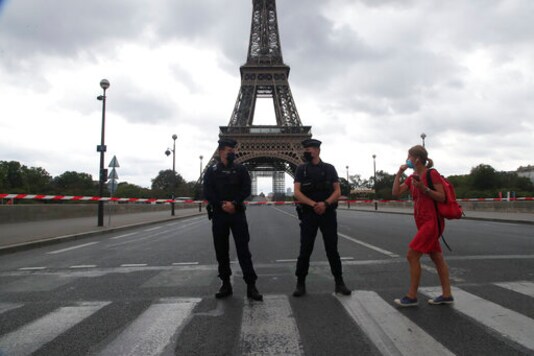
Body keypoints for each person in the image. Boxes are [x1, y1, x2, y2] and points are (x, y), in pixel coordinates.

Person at [392, 145, 454, 307]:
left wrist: (423, 189)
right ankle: (447, 295)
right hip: (422, 222)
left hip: (432, 222)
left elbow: (442, 197)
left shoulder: (431, 174)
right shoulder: (412, 176)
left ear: (417, 159)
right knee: (436, 257)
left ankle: (412, 296)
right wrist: (399, 173)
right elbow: (396, 193)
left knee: (412, 256)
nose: (407, 159)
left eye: (409, 156)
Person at [203, 138, 263, 301]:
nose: (232, 152)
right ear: (221, 151)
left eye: (233, 150)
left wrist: (234, 203)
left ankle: (251, 285)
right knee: (221, 251)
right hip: (219, 214)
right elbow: (207, 192)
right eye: (229, 150)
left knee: (244, 250)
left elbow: (246, 189)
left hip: (237, 213)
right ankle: (225, 283)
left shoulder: (241, 169)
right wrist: (222, 204)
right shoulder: (212, 171)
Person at [292, 138, 351, 297]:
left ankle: (339, 282)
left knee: (332, 250)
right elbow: (297, 192)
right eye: (306, 149)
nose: (308, 151)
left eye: (310, 149)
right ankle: (300, 283)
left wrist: (325, 204)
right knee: (305, 250)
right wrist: (313, 204)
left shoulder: (329, 168)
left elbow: (337, 191)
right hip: (309, 214)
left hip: (327, 214)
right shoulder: (301, 169)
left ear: (317, 150)